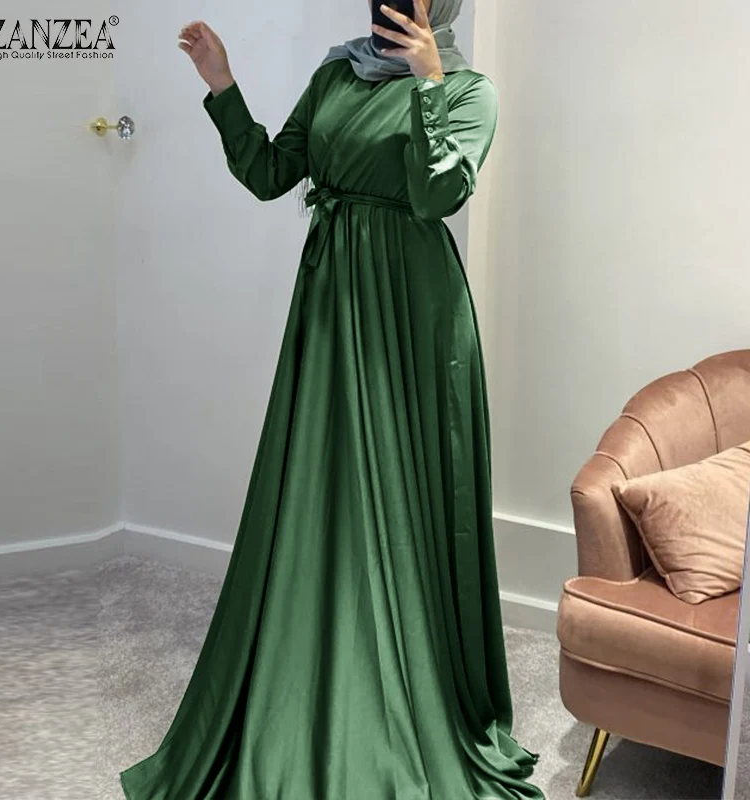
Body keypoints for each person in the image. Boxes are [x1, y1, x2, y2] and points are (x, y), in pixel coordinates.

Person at [119, 0, 545, 797]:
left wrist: (428, 84)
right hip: (331, 298)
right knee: (321, 482)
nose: (389, 10)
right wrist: (223, 87)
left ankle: (410, 683)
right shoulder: (335, 73)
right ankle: (314, 659)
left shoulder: (469, 90)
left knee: (406, 489)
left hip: (413, 313)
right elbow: (269, 175)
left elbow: (438, 196)